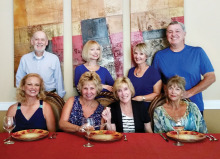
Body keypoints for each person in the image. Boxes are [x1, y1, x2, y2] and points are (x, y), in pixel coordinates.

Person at [152, 21, 215, 114]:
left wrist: (189, 93)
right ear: (166, 35)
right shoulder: (159, 56)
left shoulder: (197, 52)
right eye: (170, 32)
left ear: (184, 34)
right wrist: (167, 91)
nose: (173, 34)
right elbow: (156, 81)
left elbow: (211, 77)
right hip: (170, 109)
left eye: (177, 31)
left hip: (194, 107)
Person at [16, 31, 66, 98]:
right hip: (30, 96)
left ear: (46, 42)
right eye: (36, 39)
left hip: (49, 96)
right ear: (32, 42)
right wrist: (23, 96)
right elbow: (19, 80)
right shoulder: (25, 59)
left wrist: (60, 97)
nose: (39, 42)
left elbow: (58, 80)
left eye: (42, 39)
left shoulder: (54, 59)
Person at [128, 42, 162, 108]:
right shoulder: (130, 71)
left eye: (141, 54)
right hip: (131, 107)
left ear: (146, 56)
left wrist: (142, 98)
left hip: (147, 109)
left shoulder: (153, 72)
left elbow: (157, 95)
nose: (137, 56)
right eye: (135, 53)